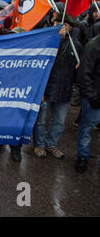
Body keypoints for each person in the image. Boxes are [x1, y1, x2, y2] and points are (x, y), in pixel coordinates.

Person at [32, 15, 82, 160]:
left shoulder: (75, 46)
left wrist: (79, 67)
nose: (60, 26)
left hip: (65, 89)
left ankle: (51, 144)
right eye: (57, 22)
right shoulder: (46, 42)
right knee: (41, 120)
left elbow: (79, 69)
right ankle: (39, 145)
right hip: (46, 88)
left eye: (65, 24)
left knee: (59, 121)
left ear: (70, 28)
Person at [75, 33, 100, 173]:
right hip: (94, 98)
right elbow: (84, 73)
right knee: (86, 128)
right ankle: (82, 157)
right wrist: (92, 97)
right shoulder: (93, 45)